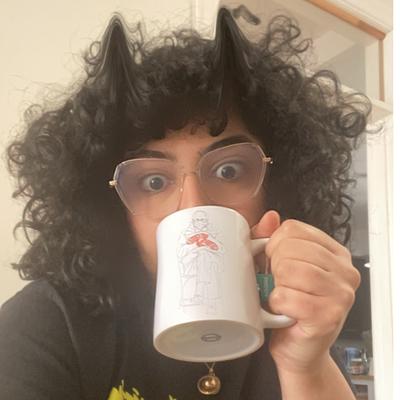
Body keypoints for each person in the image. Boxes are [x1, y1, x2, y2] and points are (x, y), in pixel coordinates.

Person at [0, 5, 370, 400]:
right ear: (111, 206)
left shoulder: (290, 316)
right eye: (154, 181)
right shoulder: (49, 323)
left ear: (275, 185)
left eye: (228, 170)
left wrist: (306, 365)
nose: (195, 208)